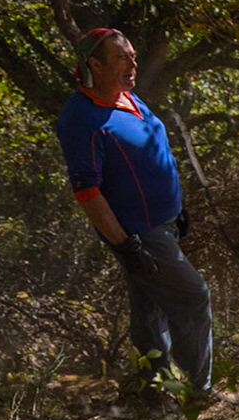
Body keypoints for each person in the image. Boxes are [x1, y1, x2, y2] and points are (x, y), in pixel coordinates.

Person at [54, 28, 212, 397]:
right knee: (194, 296)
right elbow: (87, 191)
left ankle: (153, 390)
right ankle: (199, 390)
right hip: (139, 233)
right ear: (94, 64)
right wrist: (126, 246)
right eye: (122, 57)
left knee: (150, 308)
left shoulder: (127, 98)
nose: (133, 63)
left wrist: (175, 207)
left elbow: (148, 152)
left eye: (133, 55)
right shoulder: (81, 118)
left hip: (164, 224)